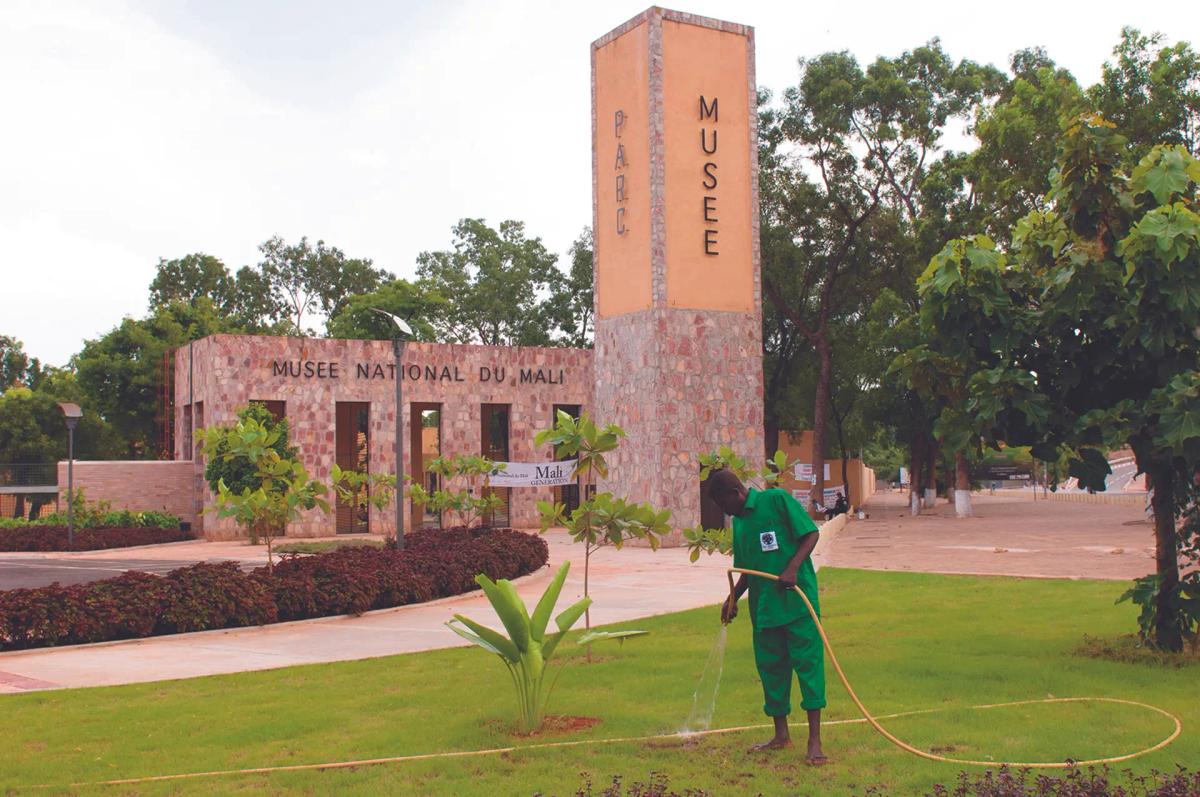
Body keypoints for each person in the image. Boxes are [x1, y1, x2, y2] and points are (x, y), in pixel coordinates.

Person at [709, 468, 828, 765]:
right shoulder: (739, 524)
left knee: (808, 668)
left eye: (725, 505)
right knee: (771, 670)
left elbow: (811, 533)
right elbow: (747, 570)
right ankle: (781, 736)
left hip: (797, 605)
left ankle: (814, 741)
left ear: (736, 492)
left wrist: (792, 568)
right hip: (765, 610)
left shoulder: (775, 500)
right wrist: (732, 597)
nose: (726, 512)